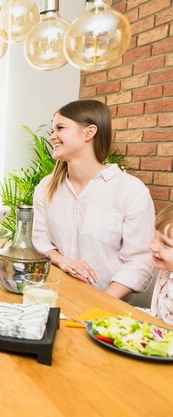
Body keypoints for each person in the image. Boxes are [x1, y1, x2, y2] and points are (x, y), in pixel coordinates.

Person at [32, 99, 154, 299]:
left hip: (106, 304)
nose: (52, 136)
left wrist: (101, 303)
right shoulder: (46, 187)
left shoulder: (131, 191)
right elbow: (40, 241)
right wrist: (63, 261)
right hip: (53, 294)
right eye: (52, 130)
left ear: (88, 132)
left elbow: (139, 262)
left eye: (60, 128)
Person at [149, 204, 173, 325]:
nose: (151, 246)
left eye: (165, 243)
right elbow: (159, 316)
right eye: (155, 237)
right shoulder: (167, 270)